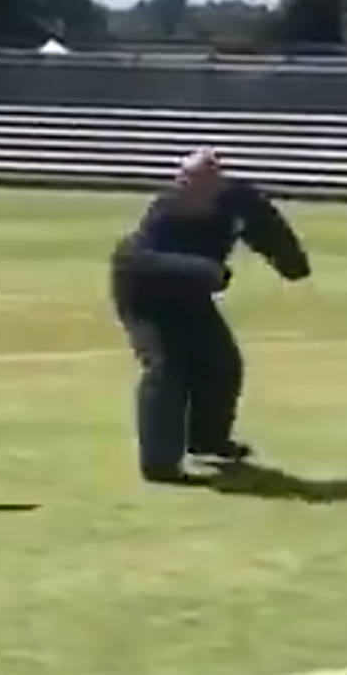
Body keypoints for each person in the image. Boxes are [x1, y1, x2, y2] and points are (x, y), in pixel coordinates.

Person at [110, 147, 312, 483]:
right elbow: (136, 259)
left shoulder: (238, 201)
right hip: (144, 295)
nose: (188, 189)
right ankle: (158, 464)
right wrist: (202, 269)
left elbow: (267, 227)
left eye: (198, 183)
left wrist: (292, 265)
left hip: (190, 295)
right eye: (184, 181)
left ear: (216, 183)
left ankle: (207, 441)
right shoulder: (164, 214)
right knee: (166, 367)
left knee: (221, 363)